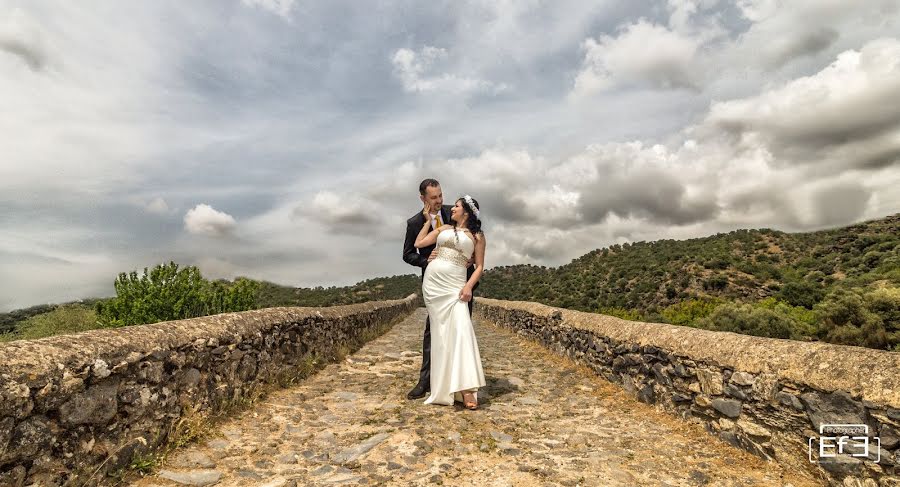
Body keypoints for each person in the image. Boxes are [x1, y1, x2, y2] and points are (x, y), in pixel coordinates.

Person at [402, 179, 477, 400]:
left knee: (461, 332)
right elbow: (408, 253)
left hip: (460, 283)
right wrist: (426, 261)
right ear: (422, 198)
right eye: (434, 198)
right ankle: (425, 381)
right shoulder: (414, 222)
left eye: (440, 196)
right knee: (431, 331)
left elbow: (473, 235)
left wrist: (472, 256)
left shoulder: (453, 212)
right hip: (436, 286)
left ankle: (462, 383)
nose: (439, 201)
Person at [414, 194, 486, 409]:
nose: (451, 209)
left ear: (466, 211)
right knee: (442, 335)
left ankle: (467, 389)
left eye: (456, 206)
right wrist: (428, 221)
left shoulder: (477, 236)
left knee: (461, 330)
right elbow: (419, 243)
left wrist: (468, 287)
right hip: (434, 285)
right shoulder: (444, 228)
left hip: (456, 285)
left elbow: (480, 266)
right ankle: (447, 386)